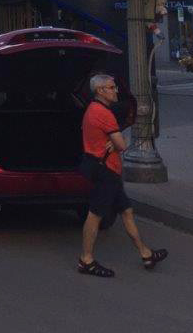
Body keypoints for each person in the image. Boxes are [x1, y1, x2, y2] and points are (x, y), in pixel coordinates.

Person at [78, 74, 167, 278]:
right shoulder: (103, 114)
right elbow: (123, 145)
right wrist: (115, 141)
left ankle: (146, 254)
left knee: (126, 211)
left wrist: (114, 141)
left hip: (109, 170)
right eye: (111, 87)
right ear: (100, 91)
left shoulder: (94, 109)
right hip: (105, 171)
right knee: (95, 215)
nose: (115, 90)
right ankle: (86, 259)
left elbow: (116, 142)